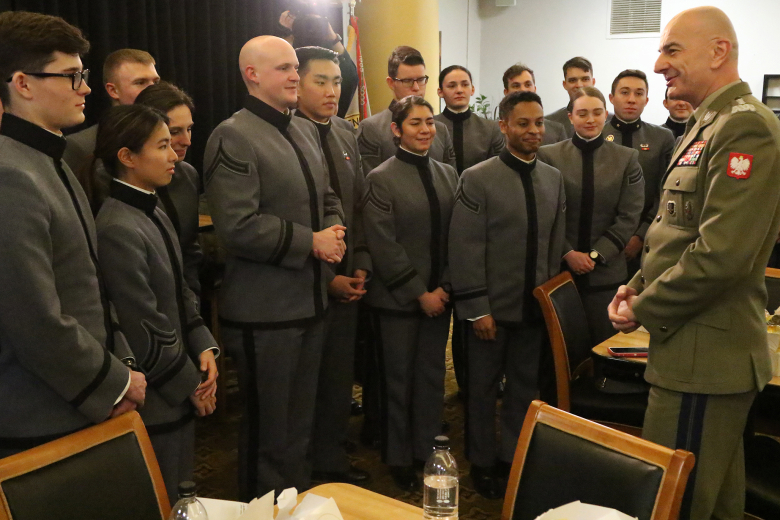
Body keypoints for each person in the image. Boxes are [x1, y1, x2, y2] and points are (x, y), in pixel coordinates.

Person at [608, 7, 780, 520]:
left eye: (672, 50)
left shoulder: (746, 128)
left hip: (706, 357)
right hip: (692, 349)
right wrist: (637, 283)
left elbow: (721, 255)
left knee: (676, 505)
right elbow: (674, 228)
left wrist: (644, 306)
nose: (659, 64)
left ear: (718, 51)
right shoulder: (708, 122)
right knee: (715, 502)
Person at [203, 35, 345, 500]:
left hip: (309, 303)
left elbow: (324, 195)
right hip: (264, 313)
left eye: (293, 68)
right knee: (269, 434)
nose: (293, 76)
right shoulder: (232, 134)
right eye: (284, 68)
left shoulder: (301, 128)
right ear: (252, 75)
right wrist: (312, 242)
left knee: (299, 428)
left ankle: (296, 505)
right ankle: (262, 509)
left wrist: (336, 228)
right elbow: (238, 226)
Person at [0, 10, 146, 458]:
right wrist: (112, 382)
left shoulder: (51, 160)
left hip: (81, 397)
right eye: (70, 76)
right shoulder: (11, 173)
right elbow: (34, 317)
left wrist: (120, 363)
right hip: (46, 411)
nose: (84, 87)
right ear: (22, 84)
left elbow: (91, 285)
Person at [93, 104, 218, 502]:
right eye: (162, 145)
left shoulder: (152, 207)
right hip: (160, 394)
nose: (173, 155)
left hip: (180, 377)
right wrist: (191, 385)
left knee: (183, 488)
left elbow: (179, 288)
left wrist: (203, 346)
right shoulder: (117, 226)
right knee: (163, 495)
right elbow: (141, 321)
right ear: (127, 157)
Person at [449, 91, 566, 499]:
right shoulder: (477, 178)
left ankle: (509, 456)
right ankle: (481, 461)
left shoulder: (552, 178)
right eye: (523, 123)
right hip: (490, 313)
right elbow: (464, 249)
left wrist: (549, 305)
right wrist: (477, 308)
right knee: (481, 391)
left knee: (522, 389)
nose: (534, 131)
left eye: (538, 123)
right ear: (504, 126)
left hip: (533, 311)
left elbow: (554, 245)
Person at [362, 95, 457, 491]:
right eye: (415, 123)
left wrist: (446, 287)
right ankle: (399, 457)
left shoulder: (449, 174)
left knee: (432, 377)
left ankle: (426, 450)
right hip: (399, 300)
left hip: (442, 295)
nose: (425, 130)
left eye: (429, 122)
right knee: (398, 382)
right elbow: (383, 244)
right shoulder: (379, 178)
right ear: (396, 130)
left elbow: (460, 237)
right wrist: (420, 293)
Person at [293, 46, 372, 485]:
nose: (330, 90)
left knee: (339, 382)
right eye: (319, 81)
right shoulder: (288, 134)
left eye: (337, 82)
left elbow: (356, 206)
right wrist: (330, 279)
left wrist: (358, 264)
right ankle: (305, 472)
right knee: (308, 388)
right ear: (297, 83)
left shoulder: (345, 132)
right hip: (307, 285)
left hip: (349, 280)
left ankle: (332, 463)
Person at [538, 87, 643, 345]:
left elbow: (630, 215)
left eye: (597, 113)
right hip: (561, 270)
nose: (590, 119)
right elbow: (545, 213)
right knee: (562, 348)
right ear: (570, 116)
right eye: (582, 113)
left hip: (607, 271)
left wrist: (595, 255)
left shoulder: (626, 158)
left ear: (605, 115)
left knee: (604, 344)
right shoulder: (549, 156)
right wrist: (568, 253)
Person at [603, 69, 675, 277]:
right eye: (624, 92)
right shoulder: (598, 134)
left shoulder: (662, 137)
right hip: (603, 238)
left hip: (649, 237)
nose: (631, 99)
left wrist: (641, 235)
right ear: (611, 98)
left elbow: (665, 191)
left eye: (639, 93)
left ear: (647, 99)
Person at [134, 82, 204, 296]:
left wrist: (191, 296)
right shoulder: (114, 180)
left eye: (189, 129)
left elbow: (190, 249)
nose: (187, 141)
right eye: (175, 132)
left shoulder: (187, 175)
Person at [357, 46, 456, 173]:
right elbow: (370, 182)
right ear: (391, 83)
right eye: (407, 81)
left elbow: (451, 180)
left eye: (421, 80)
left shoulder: (440, 129)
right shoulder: (372, 128)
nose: (416, 87)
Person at [64, 49, 160, 178]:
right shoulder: (81, 147)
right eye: (140, 82)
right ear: (113, 90)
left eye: (156, 82)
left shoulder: (170, 137)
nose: (153, 89)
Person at [286, 13, 358, 119]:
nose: (331, 93)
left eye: (336, 83)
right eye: (320, 83)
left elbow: (350, 76)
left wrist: (333, 37)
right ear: (296, 86)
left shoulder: (346, 133)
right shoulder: (285, 131)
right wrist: (286, 34)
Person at [435, 65, 504, 175]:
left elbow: (498, 169)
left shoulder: (490, 128)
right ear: (440, 92)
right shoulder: (431, 126)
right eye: (452, 86)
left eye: (465, 85)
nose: (459, 90)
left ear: (472, 89)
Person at [502, 63, 567, 144]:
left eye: (528, 84)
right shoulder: (493, 132)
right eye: (516, 86)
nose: (523, 90)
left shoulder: (556, 131)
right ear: (506, 92)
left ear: (535, 89)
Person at [545, 57, 597, 138]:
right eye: (573, 80)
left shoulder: (610, 122)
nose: (579, 85)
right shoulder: (550, 123)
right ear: (564, 85)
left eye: (585, 79)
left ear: (593, 82)